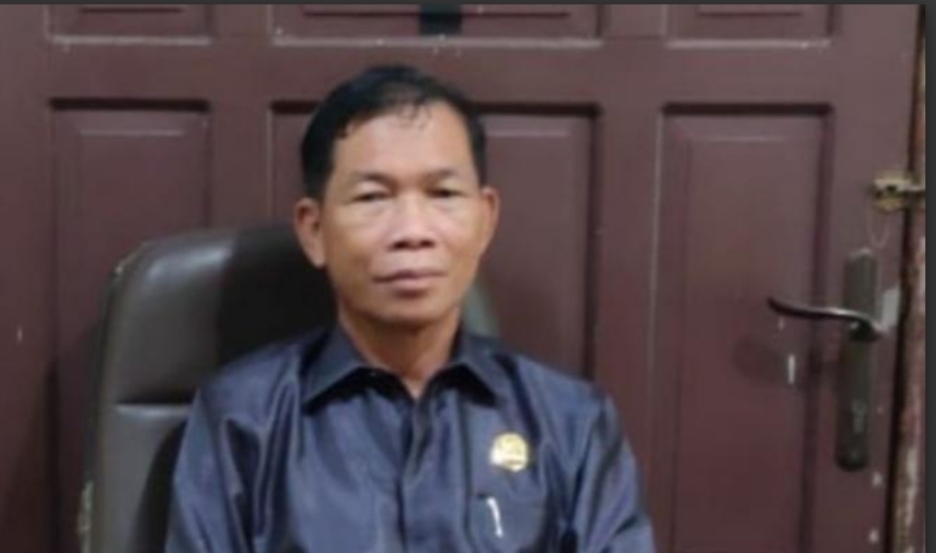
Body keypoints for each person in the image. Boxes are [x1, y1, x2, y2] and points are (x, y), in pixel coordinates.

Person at [164, 64, 655, 553]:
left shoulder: (570, 422)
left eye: (443, 194)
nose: (412, 231)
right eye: (373, 197)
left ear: (485, 220)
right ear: (314, 231)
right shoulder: (243, 417)